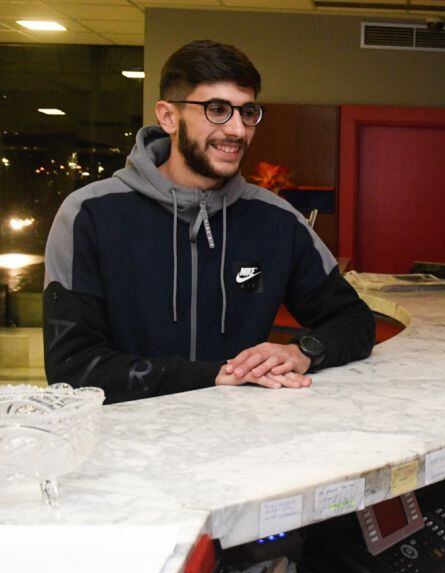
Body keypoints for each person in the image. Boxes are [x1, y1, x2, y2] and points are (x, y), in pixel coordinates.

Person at [43, 40, 374, 403]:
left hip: (239, 442)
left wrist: (302, 351)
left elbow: (354, 320)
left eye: (247, 112)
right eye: (217, 109)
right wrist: (213, 375)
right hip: (124, 444)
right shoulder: (89, 214)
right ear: (168, 117)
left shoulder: (277, 221)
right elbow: (72, 369)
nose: (236, 130)